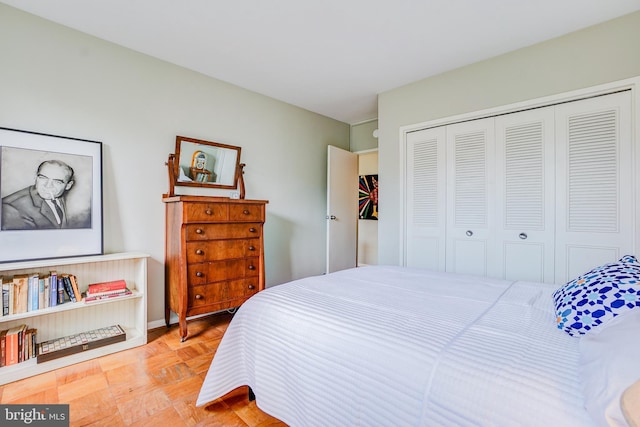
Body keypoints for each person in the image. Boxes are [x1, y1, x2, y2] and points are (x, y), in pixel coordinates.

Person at [2, 160, 83, 230]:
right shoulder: (11, 208)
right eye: (43, 178)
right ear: (35, 177)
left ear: (68, 185)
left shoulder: (58, 195)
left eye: (57, 182)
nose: (48, 185)